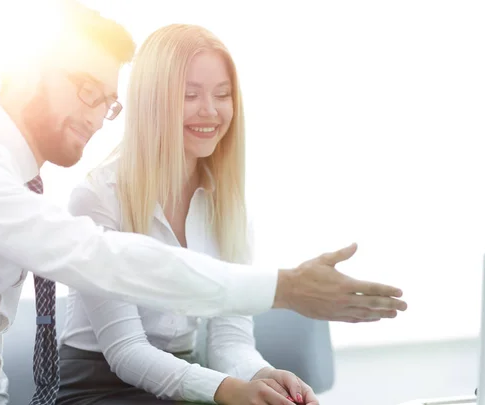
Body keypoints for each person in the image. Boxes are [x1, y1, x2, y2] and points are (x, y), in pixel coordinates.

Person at [0, 2, 407, 405]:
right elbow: (100, 260)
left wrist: (258, 377)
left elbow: (228, 340)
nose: (96, 117)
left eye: (107, 103)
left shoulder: (17, 175)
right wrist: (284, 289)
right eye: (87, 90)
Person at [56, 24, 320, 405]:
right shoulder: (97, 197)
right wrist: (227, 390)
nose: (210, 111)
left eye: (223, 95)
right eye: (189, 95)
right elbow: (126, 352)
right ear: (153, 101)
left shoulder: (228, 207)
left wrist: (263, 376)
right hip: (100, 388)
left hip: (188, 382)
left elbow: (231, 339)